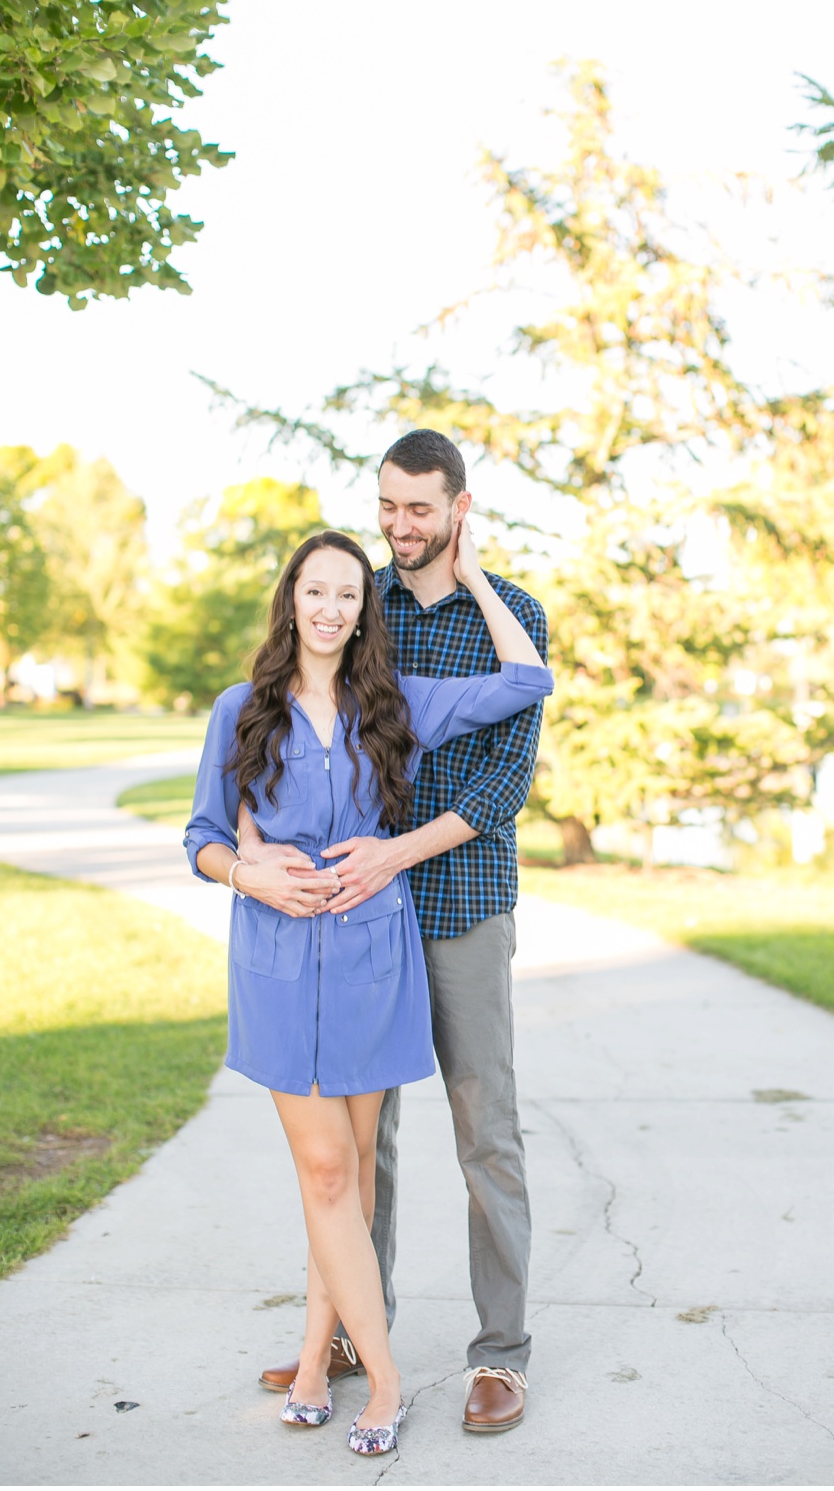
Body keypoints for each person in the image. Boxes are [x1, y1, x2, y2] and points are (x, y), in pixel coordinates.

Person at [184, 524, 551, 1456]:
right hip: (275, 959)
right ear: (292, 598)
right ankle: (383, 1379)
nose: (330, 608)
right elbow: (200, 837)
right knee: (329, 1173)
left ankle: (317, 1360)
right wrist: (247, 874)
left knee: (342, 1178)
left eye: (349, 594)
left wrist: (471, 576)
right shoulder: (242, 708)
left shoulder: (395, 706)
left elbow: (525, 681)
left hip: (369, 961)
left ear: (363, 611)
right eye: (315, 590)